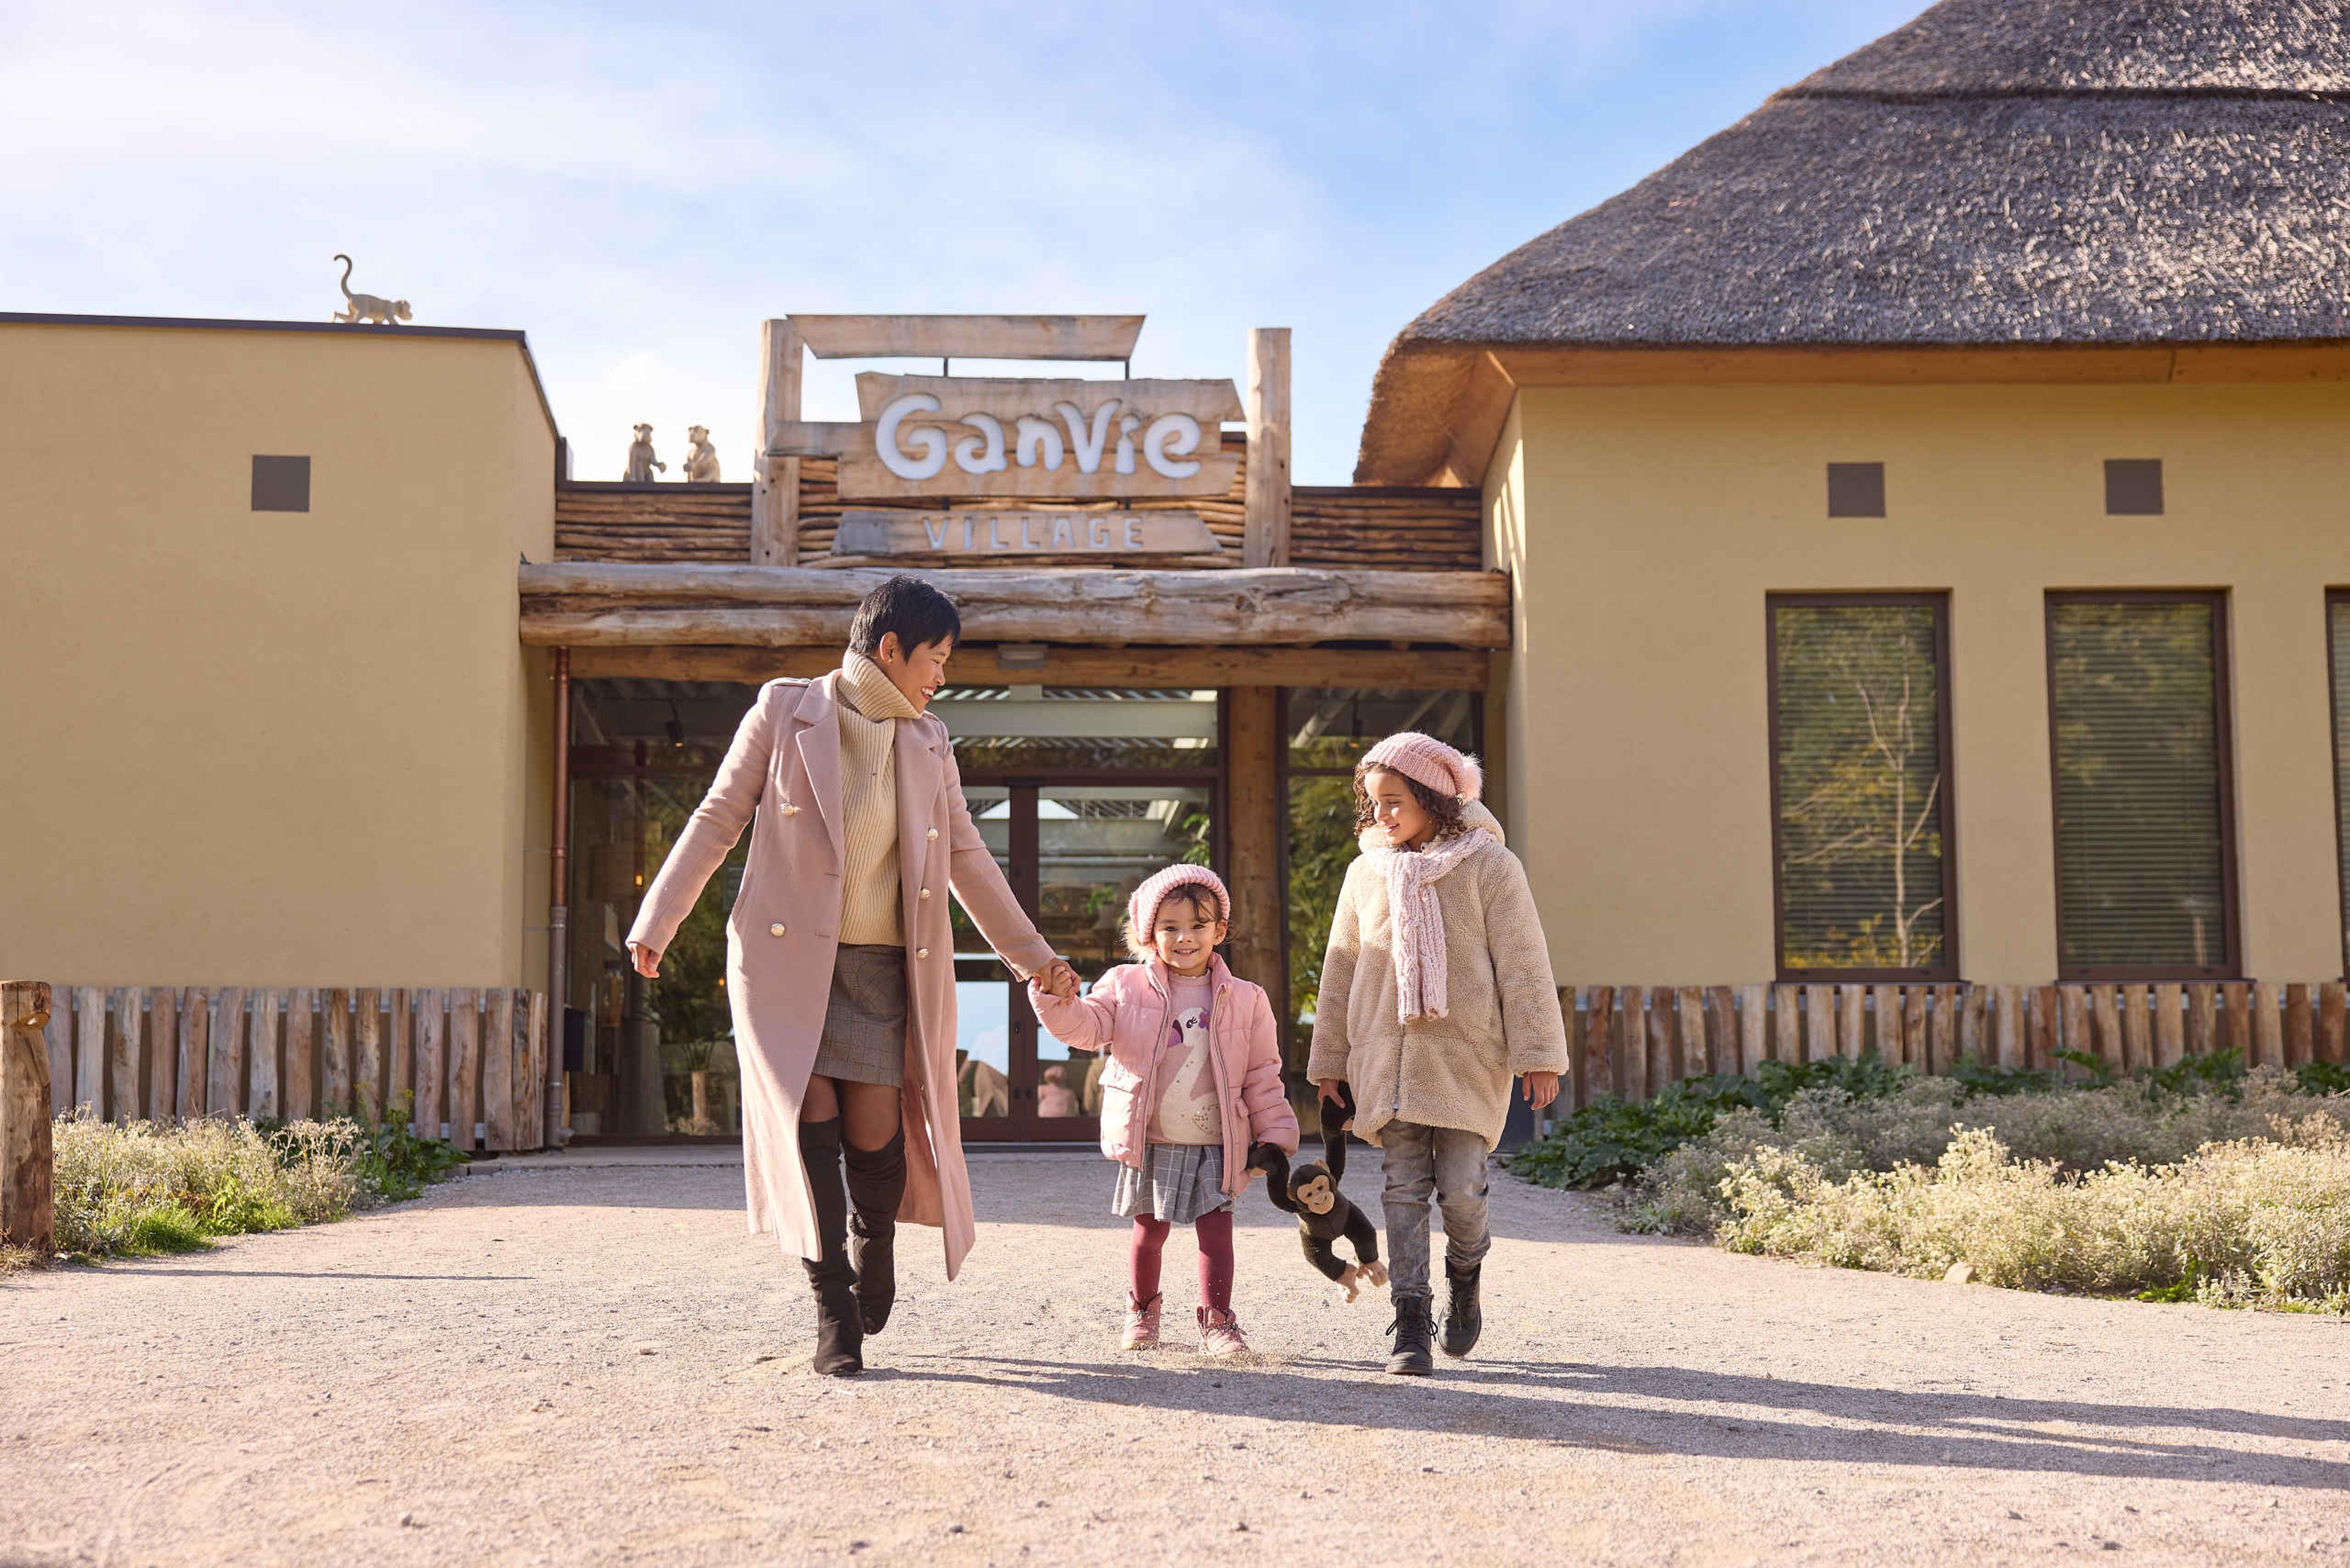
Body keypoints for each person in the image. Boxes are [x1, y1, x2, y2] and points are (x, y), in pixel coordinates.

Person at [625, 575, 1076, 1377]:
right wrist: (659, 918)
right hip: (786, 964)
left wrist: (1033, 957)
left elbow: (968, 860)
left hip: (880, 970)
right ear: (889, 647)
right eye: (934, 657)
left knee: (876, 1139)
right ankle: (833, 1308)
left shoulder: (929, 741)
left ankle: (876, 1241)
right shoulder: (784, 709)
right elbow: (719, 816)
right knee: (812, 1133)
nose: (942, 675)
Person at [1305, 732, 1569, 1375]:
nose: (1382, 816)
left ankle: (1466, 1272)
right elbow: (1340, 969)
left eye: (1395, 801)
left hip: (1465, 1059)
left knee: (1463, 1193)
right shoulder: (1365, 873)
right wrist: (1330, 1061)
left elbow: (1525, 965)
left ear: (1433, 796)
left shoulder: (1490, 866)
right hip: (1388, 1060)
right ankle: (1411, 1320)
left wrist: (1538, 1053)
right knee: (1403, 1190)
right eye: (1373, 805)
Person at [1029, 865, 1297, 1355]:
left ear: (1220, 930)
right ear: (1149, 933)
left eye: (1198, 926)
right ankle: (1142, 1311)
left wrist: (1275, 1136)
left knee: (1217, 1234)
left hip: (1218, 1138)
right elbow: (1086, 1030)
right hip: (1152, 1136)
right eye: (1170, 927)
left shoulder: (1247, 999)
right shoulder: (1124, 986)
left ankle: (1218, 1321)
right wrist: (1056, 1000)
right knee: (1149, 1232)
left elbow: (1262, 1073)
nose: (1184, 938)